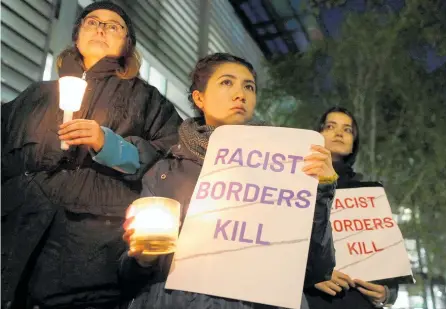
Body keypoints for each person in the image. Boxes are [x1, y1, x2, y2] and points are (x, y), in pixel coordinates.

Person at [119, 52, 337, 309]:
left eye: (249, 86)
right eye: (226, 82)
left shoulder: (287, 169)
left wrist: (320, 190)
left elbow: (316, 269)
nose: (240, 94)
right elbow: (127, 275)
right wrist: (141, 259)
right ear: (199, 98)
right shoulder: (165, 172)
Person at [1, 2, 181, 308]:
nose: (101, 28)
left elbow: (169, 161)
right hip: (14, 234)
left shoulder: (148, 100)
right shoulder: (37, 94)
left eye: (113, 26)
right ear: (77, 35)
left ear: (127, 43)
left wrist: (111, 146)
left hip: (92, 253)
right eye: (92, 21)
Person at [304, 107, 399, 309]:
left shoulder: (370, 194)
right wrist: (309, 275)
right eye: (330, 126)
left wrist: (387, 293)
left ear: (354, 143)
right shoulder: (295, 185)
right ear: (316, 134)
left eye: (347, 130)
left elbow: (387, 255)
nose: (339, 133)